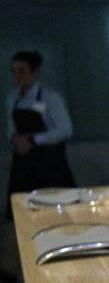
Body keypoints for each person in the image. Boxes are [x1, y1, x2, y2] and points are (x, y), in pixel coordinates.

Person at [5, 51, 75, 212]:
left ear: (34, 71)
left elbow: (65, 130)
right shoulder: (12, 99)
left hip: (49, 161)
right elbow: (10, 129)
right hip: (23, 162)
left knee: (54, 207)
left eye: (21, 71)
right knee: (25, 209)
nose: (17, 76)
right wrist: (16, 139)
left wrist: (33, 140)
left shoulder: (50, 97)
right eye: (14, 71)